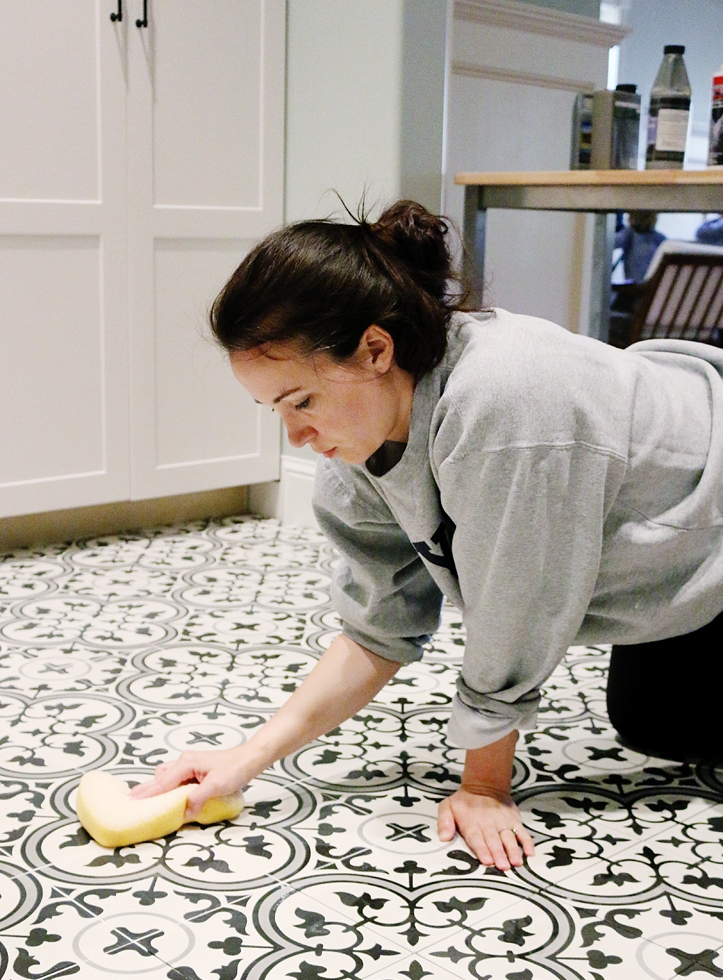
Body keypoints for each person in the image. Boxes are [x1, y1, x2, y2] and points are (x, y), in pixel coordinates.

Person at [131, 201, 723, 872]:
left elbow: (518, 609)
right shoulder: (357, 447)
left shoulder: (506, 402)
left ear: (376, 350)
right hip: (671, 548)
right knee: (654, 723)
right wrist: (247, 756)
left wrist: (484, 786)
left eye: (301, 401)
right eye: (276, 410)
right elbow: (376, 630)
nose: (294, 435)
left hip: (713, 490)